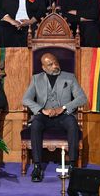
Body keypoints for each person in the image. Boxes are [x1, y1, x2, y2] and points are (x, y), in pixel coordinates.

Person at [22, 53, 88, 182]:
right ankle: (37, 166)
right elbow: (26, 99)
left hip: (63, 115)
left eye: (55, 62)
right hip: (44, 115)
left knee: (72, 124)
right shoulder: (36, 79)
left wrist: (63, 108)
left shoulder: (69, 77)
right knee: (35, 125)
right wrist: (42, 110)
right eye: (50, 65)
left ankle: (72, 165)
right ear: (43, 67)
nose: (55, 66)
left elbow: (82, 98)